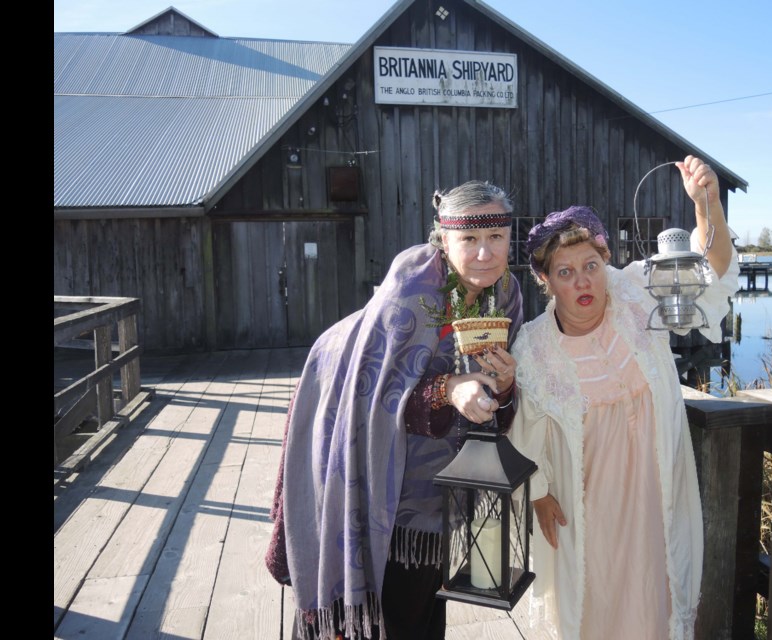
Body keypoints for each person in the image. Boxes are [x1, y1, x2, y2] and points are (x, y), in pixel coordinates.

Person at [265, 180, 523, 639]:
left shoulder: (506, 295)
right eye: (469, 239)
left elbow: (498, 404)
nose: (485, 253)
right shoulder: (413, 288)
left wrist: (502, 387)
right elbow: (375, 396)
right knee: (381, 617)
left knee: (423, 612)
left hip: (449, 491)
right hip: (387, 487)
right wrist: (447, 389)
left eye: (496, 238)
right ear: (445, 238)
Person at [508, 156, 739, 640]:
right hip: (586, 509)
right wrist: (541, 494)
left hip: (656, 499)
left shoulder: (638, 292)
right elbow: (526, 428)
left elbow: (713, 274)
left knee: (658, 604)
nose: (581, 281)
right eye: (565, 272)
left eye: (590, 265)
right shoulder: (533, 346)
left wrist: (707, 207)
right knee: (593, 610)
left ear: (605, 260)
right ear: (545, 281)